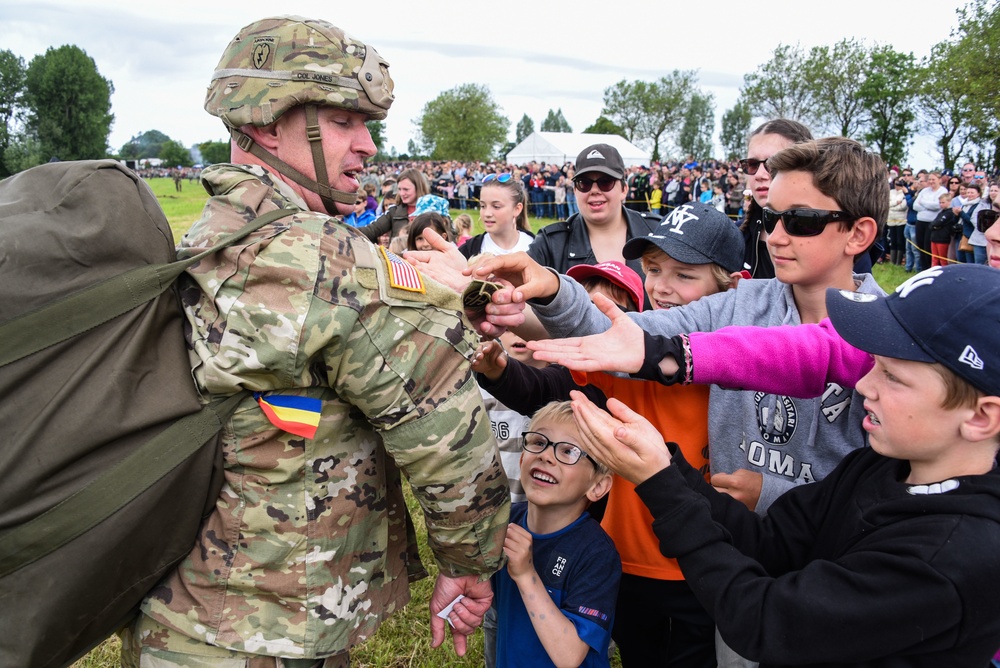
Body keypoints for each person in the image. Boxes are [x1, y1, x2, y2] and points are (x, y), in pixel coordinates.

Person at [120, 16, 509, 667]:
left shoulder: (192, 237)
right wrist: (469, 558)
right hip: (271, 633)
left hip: (174, 615)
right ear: (270, 123)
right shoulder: (323, 256)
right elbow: (445, 431)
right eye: (342, 122)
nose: (366, 145)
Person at [568, 263, 1000, 666]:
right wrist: (667, 467)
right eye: (874, 366)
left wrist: (658, 483)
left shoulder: (949, 557)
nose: (864, 384)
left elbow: (765, 619)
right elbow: (770, 540)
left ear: (981, 417)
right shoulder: (878, 466)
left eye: (893, 376)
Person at [492, 401, 620, 668]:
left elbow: (570, 656)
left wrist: (527, 575)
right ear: (521, 458)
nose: (546, 456)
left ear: (597, 486)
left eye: (569, 451)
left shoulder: (597, 553)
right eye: (538, 442)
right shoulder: (505, 521)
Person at [526, 144, 659, 306]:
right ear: (575, 191)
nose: (594, 190)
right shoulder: (552, 243)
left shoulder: (656, 231)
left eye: (605, 182)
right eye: (584, 183)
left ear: (624, 189)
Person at [738, 119, 814, 278]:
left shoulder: (830, 237)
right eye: (751, 164)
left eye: (772, 164)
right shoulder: (735, 235)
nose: (759, 175)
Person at [459, 173, 534, 259]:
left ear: (517, 209)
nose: (487, 213)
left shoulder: (536, 247)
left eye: (496, 206)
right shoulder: (468, 251)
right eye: (483, 206)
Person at [356, 167, 429, 242]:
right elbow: (372, 230)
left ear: (418, 187)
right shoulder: (394, 212)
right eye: (399, 189)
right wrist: (347, 232)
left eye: (406, 189)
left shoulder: (432, 211)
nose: (402, 193)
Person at [913, 171, 948, 271]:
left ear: (939, 180)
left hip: (932, 223)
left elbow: (937, 206)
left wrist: (923, 203)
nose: (931, 181)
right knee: (920, 245)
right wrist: (928, 206)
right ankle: (922, 268)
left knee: (928, 247)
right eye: (930, 179)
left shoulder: (942, 191)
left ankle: (929, 269)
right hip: (920, 221)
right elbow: (915, 205)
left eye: (933, 179)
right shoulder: (924, 191)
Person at [929, 192, 960, 266]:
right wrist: (934, 226)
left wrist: (935, 225)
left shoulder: (950, 213)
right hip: (934, 237)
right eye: (940, 202)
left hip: (943, 239)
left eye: (943, 202)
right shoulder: (941, 213)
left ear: (949, 202)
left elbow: (938, 223)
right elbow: (932, 224)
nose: (941, 204)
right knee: (934, 259)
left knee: (943, 259)